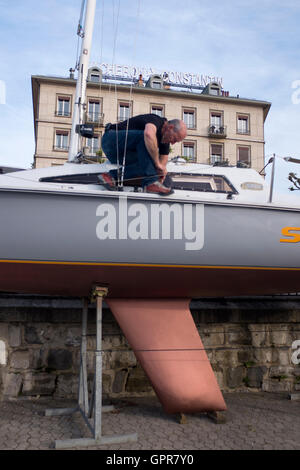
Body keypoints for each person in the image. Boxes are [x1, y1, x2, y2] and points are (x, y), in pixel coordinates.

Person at [100, 113, 187, 195]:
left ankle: (110, 176)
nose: (173, 143)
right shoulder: (156, 120)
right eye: (174, 139)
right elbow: (148, 134)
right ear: (170, 127)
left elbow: (161, 167)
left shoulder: (165, 141)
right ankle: (150, 183)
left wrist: (160, 175)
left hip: (122, 155)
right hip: (111, 140)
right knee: (144, 138)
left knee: (150, 166)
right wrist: (157, 163)